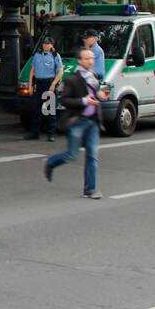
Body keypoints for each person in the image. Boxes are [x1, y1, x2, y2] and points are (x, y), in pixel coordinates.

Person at [44, 47, 110, 199]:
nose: (90, 61)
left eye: (92, 58)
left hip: (93, 121)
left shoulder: (94, 76)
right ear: (80, 61)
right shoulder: (73, 79)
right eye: (87, 58)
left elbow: (96, 94)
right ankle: (51, 161)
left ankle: (90, 190)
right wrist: (83, 101)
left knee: (92, 156)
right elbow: (64, 100)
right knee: (71, 155)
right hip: (77, 121)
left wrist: (100, 95)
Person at [25, 35, 64, 141]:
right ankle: (34, 133)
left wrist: (53, 84)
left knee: (50, 110)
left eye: (47, 43)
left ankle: (50, 134)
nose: (45, 45)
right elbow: (32, 71)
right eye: (44, 43)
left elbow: (60, 72)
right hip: (39, 83)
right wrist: (30, 85)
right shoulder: (37, 55)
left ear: (52, 45)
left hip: (49, 84)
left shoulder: (55, 55)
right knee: (36, 109)